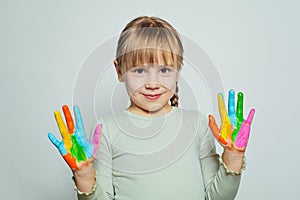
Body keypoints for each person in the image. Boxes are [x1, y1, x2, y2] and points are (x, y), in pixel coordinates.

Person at [48, 16, 255, 200]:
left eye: (164, 70)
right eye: (139, 70)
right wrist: (84, 174)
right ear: (119, 70)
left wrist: (234, 156)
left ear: (178, 69)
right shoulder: (107, 130)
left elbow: (217, 197)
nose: (152, 83)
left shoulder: (197, 125)